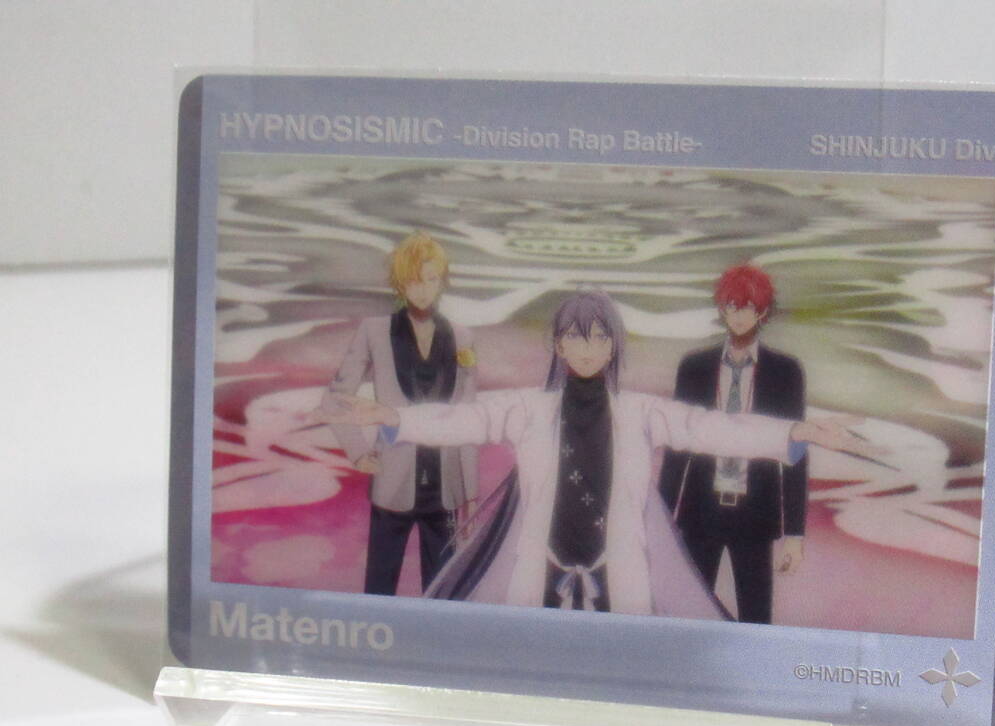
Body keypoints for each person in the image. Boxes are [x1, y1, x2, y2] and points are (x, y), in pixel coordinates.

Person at [316, 289, 871, 618]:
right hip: (542, 566)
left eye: (601, 338)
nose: (588, 349)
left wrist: (795, 432)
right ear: (559, 344)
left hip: (616, 569)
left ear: (614, 346)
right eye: (577, 338)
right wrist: (395, 418)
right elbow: (467, 418)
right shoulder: (529, 409)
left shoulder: (641, 413)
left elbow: (714, 429)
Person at [323, 232, 478, 595]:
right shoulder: (375, 332)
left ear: (442, 281)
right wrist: (357, 452)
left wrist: (469, 493)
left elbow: (468, 420)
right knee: (379, 591)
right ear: (400, 283)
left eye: (431, 279)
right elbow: (336, 398)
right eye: (413, 280)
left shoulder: (462, 337)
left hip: (445, 489)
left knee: (443, 595)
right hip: (392, 481)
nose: (422, 290)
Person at [659, 264, 805, 624]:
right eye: (732, 305)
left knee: (756, 619)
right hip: (700, 512)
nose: (739, 315)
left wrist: (794, 533)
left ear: (763, 311)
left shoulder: (785, 373)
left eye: (749, 306)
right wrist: (660, 521)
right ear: (721, 308)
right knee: (689, 614)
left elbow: (796, 453)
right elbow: (677, 447)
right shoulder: (694, 368)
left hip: (755, 515)